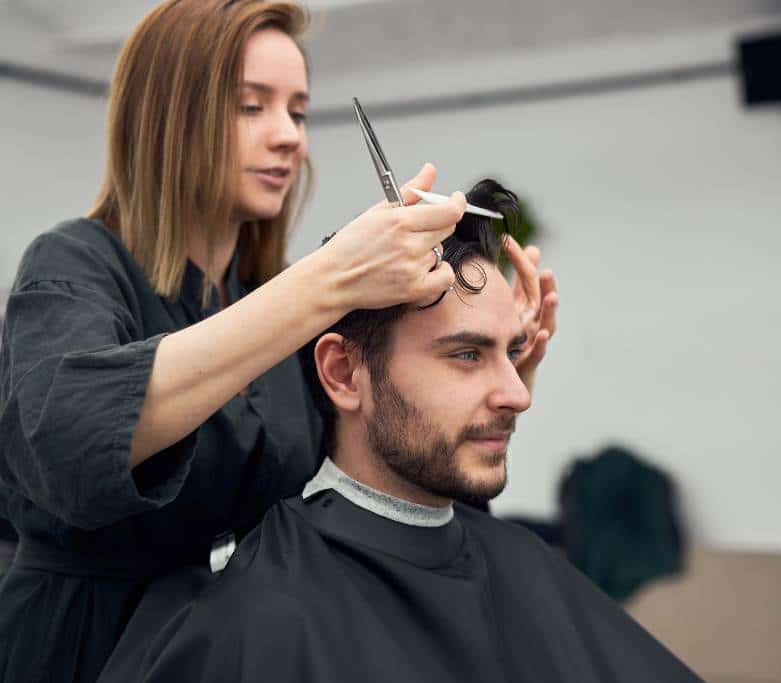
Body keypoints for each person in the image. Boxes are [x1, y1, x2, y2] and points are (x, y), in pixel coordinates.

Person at [0, 3, 557, 682]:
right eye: (251, 106)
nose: (289, 136)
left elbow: (384, 459)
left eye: (297, 111)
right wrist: (330, 282)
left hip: (228, 649)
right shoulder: (74, 266)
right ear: (168, 119)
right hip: (81, 654)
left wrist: (485, 373)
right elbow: (68, 441)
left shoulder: (268, 295)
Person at [97, 179, 700, 683]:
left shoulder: (519, 564)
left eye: (511, 353)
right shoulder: (259, 613)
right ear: (343, 373)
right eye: (466, 355)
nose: (518, 393)